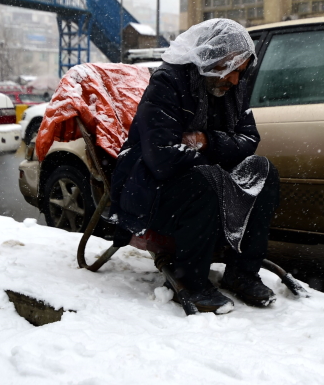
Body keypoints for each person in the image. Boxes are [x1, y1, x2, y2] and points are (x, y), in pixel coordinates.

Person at [110, 19, 280, 314]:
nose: (236, 81)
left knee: (264, 171)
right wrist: (220, 159)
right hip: (150, 187)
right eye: (231, 69)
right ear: (211, 57)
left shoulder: (234, 88)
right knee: (205, 179)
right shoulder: (168, 82)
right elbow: (162, 157)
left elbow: (249, 139)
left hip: (197, 176)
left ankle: (242, 272)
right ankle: (190, 280)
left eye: (241, 72)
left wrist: (207, 141)